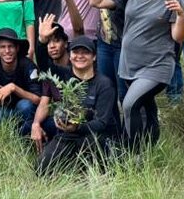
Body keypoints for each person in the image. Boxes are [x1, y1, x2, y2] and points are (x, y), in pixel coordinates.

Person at [92, 0, 184, 150]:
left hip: (157, 65)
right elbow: (97, 2)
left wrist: (179, 15)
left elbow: (178, 37)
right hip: (130, 64)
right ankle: (150, 146)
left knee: (129, 105)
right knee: (147, 106)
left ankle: (132, 153)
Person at [31, 36, 121, 176]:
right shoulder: (63, 74)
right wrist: (41, 41)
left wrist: (78, 127)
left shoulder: (104, 84)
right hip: (68, 135)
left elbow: (102, 122)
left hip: (96, 136)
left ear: (94, 57)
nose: (80, 56)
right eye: (75, 52)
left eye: (85, 52)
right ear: (70, 56)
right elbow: (43, 64)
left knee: (90, 158)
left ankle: (94, 169)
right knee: (41, 169)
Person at [93, 0, 140, 102]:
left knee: (124, 92)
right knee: (106, 91)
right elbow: (94, 1)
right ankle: (111, 126)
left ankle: (132, 127)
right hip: (104, 45)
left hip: (125, 46)